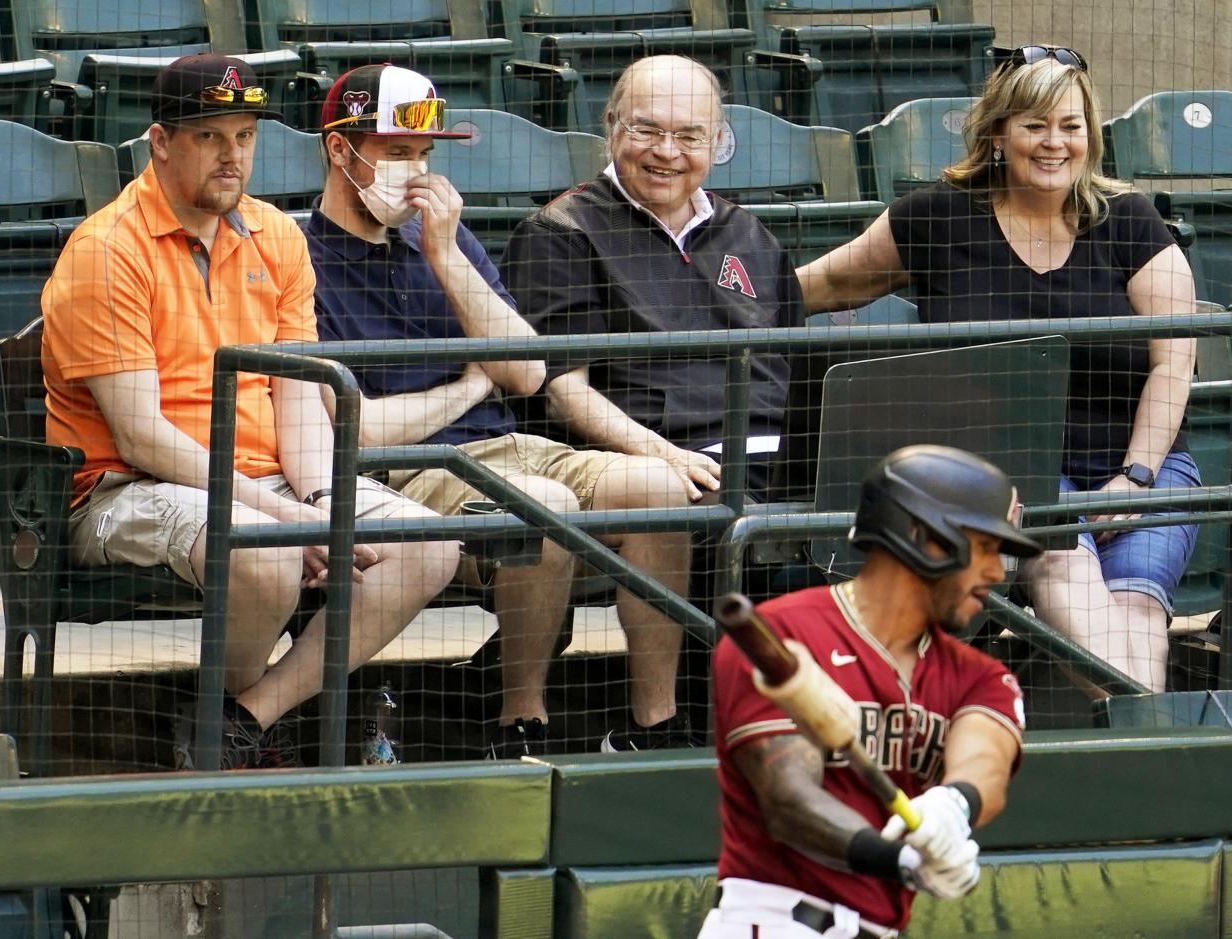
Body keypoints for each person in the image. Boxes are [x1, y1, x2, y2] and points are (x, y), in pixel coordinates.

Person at [41, 54, 462, 770]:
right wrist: (289, 520)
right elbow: (143, 437)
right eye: (210, 136)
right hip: (124, 489)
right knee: (264, 556)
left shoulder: (276, 234)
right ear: (161, 142)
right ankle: (232, 736)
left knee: (430, 543)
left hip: (260, 482)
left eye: (245, 136)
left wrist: (322, 498)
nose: (232, 155)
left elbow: (296, 396)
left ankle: (239, 721)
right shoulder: (106, 251)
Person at [305, 63, 696, 756]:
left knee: (661, 490)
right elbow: (354, 428)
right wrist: (467, 387)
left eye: (424, 155)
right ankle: (520, 723)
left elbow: (525, 371)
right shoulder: (296, 255)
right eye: (397, 153)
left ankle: (652, 728)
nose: (416, 172)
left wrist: (447, 254)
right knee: (542, 508)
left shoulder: (444, 238)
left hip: (509, 448)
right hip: (407, 472)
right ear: (341, 150)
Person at [796, 46, 1199, 692]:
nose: (1054, 143)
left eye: (1071, 126)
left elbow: (1176, 358)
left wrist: (1135, 476)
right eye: (1035, 125)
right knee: (1065, 567)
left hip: (1144, 465)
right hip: (1014, 469)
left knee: (1138, 612)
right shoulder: (939, 218)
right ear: (997, 133)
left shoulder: (1128, 221)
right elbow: (823, 286)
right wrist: (715, 305)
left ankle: (1137, 750)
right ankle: (1153, 753)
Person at [700, 445, 1038, 938]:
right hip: (771, 923)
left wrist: (954, 803)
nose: (997, 572)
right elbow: (789, 800)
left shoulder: (979, 675)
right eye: (986, 548)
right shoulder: (783, 639)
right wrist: (901, 859)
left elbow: (985, 759)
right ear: (924, 537)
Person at [501, 55, 804, 504]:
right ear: (611, 127)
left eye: (689, 135)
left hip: (787, 458)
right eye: (646, 130)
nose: (666, 150)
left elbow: (795, 363)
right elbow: (562, 394)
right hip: (673, 465)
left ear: (716, 141)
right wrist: (667, 458)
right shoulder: (561, 233)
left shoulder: (747, 231)